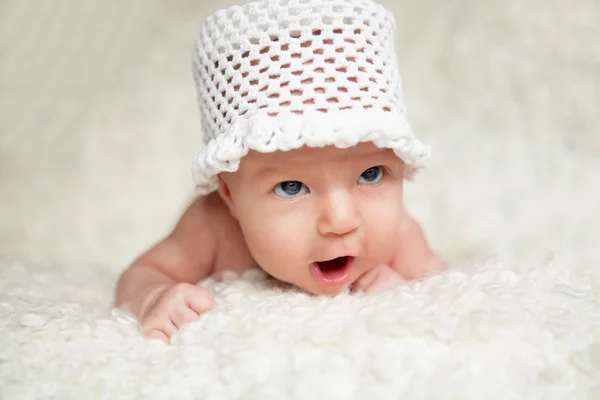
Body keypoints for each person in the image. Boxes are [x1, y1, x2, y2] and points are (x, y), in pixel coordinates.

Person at [115, 0, 447, 342]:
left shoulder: (399, 236)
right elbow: (144, 273)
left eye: (371, 174)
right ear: (229, 194)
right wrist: (154, 297)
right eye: (291, 186)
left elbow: (447, 296)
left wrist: (405, 294)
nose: (341, 220)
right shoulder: (212, 226)